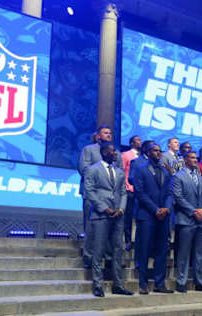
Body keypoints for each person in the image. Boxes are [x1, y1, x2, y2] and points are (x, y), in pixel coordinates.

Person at [84, 142, 132, 297]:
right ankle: (98, 285)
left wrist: (121, 209)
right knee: (98, 251)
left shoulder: (119, 172)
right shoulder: (92, 169)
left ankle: (118, 284)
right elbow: (89, 191)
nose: (115, 154)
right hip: (100, 215)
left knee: (118, 251)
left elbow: (123, 192)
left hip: (117, 216)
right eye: (112, 151)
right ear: (104, 152)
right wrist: (103, 207)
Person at [78, 126, 122, 268]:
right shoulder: (89, 149)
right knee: (91, 228)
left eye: (110, 133)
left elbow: (119, 173)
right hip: (93, 194)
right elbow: (83, 169)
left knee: (111, 230)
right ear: (98, 136)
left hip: (112, 198)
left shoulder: (117, 153)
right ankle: (89, 258)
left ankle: (109, 258)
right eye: (105, 133)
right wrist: (102, 176)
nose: (109, 135)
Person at [133, 143, 174, 295]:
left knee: (162, 251)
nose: (158, 153)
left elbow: (170, 192)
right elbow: (140, 192)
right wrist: (155, 209)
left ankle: (160, 283)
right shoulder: (140, 169)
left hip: (163, 217)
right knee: (144, 250)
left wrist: (166, 208)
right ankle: (143, 284)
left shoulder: (166, 171)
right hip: (147, 215)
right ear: (148, 153)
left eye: (159, 151)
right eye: (155, 151)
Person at [172, 151, 202, 293]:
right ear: (185, 160)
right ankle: (181, 282)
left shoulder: (200, 178)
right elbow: (178, 197)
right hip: (186, 219)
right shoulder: (178, 176)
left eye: (196, 158)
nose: (195, 160)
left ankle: (199, 282)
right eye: (192, 158)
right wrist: (194, 211)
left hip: (201, 220)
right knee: (184, 253)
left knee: (199, 254)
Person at [121, 135, 142, 251]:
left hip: (140, 191)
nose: (140, 142)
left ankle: (138, 240)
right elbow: (123, 171)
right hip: (129, 190)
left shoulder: (143, 157)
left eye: (140, 140)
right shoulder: (126, 155)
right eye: (138, 140)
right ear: (132, 143)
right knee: (128, 216)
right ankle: (128, 240)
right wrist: (127, 186)